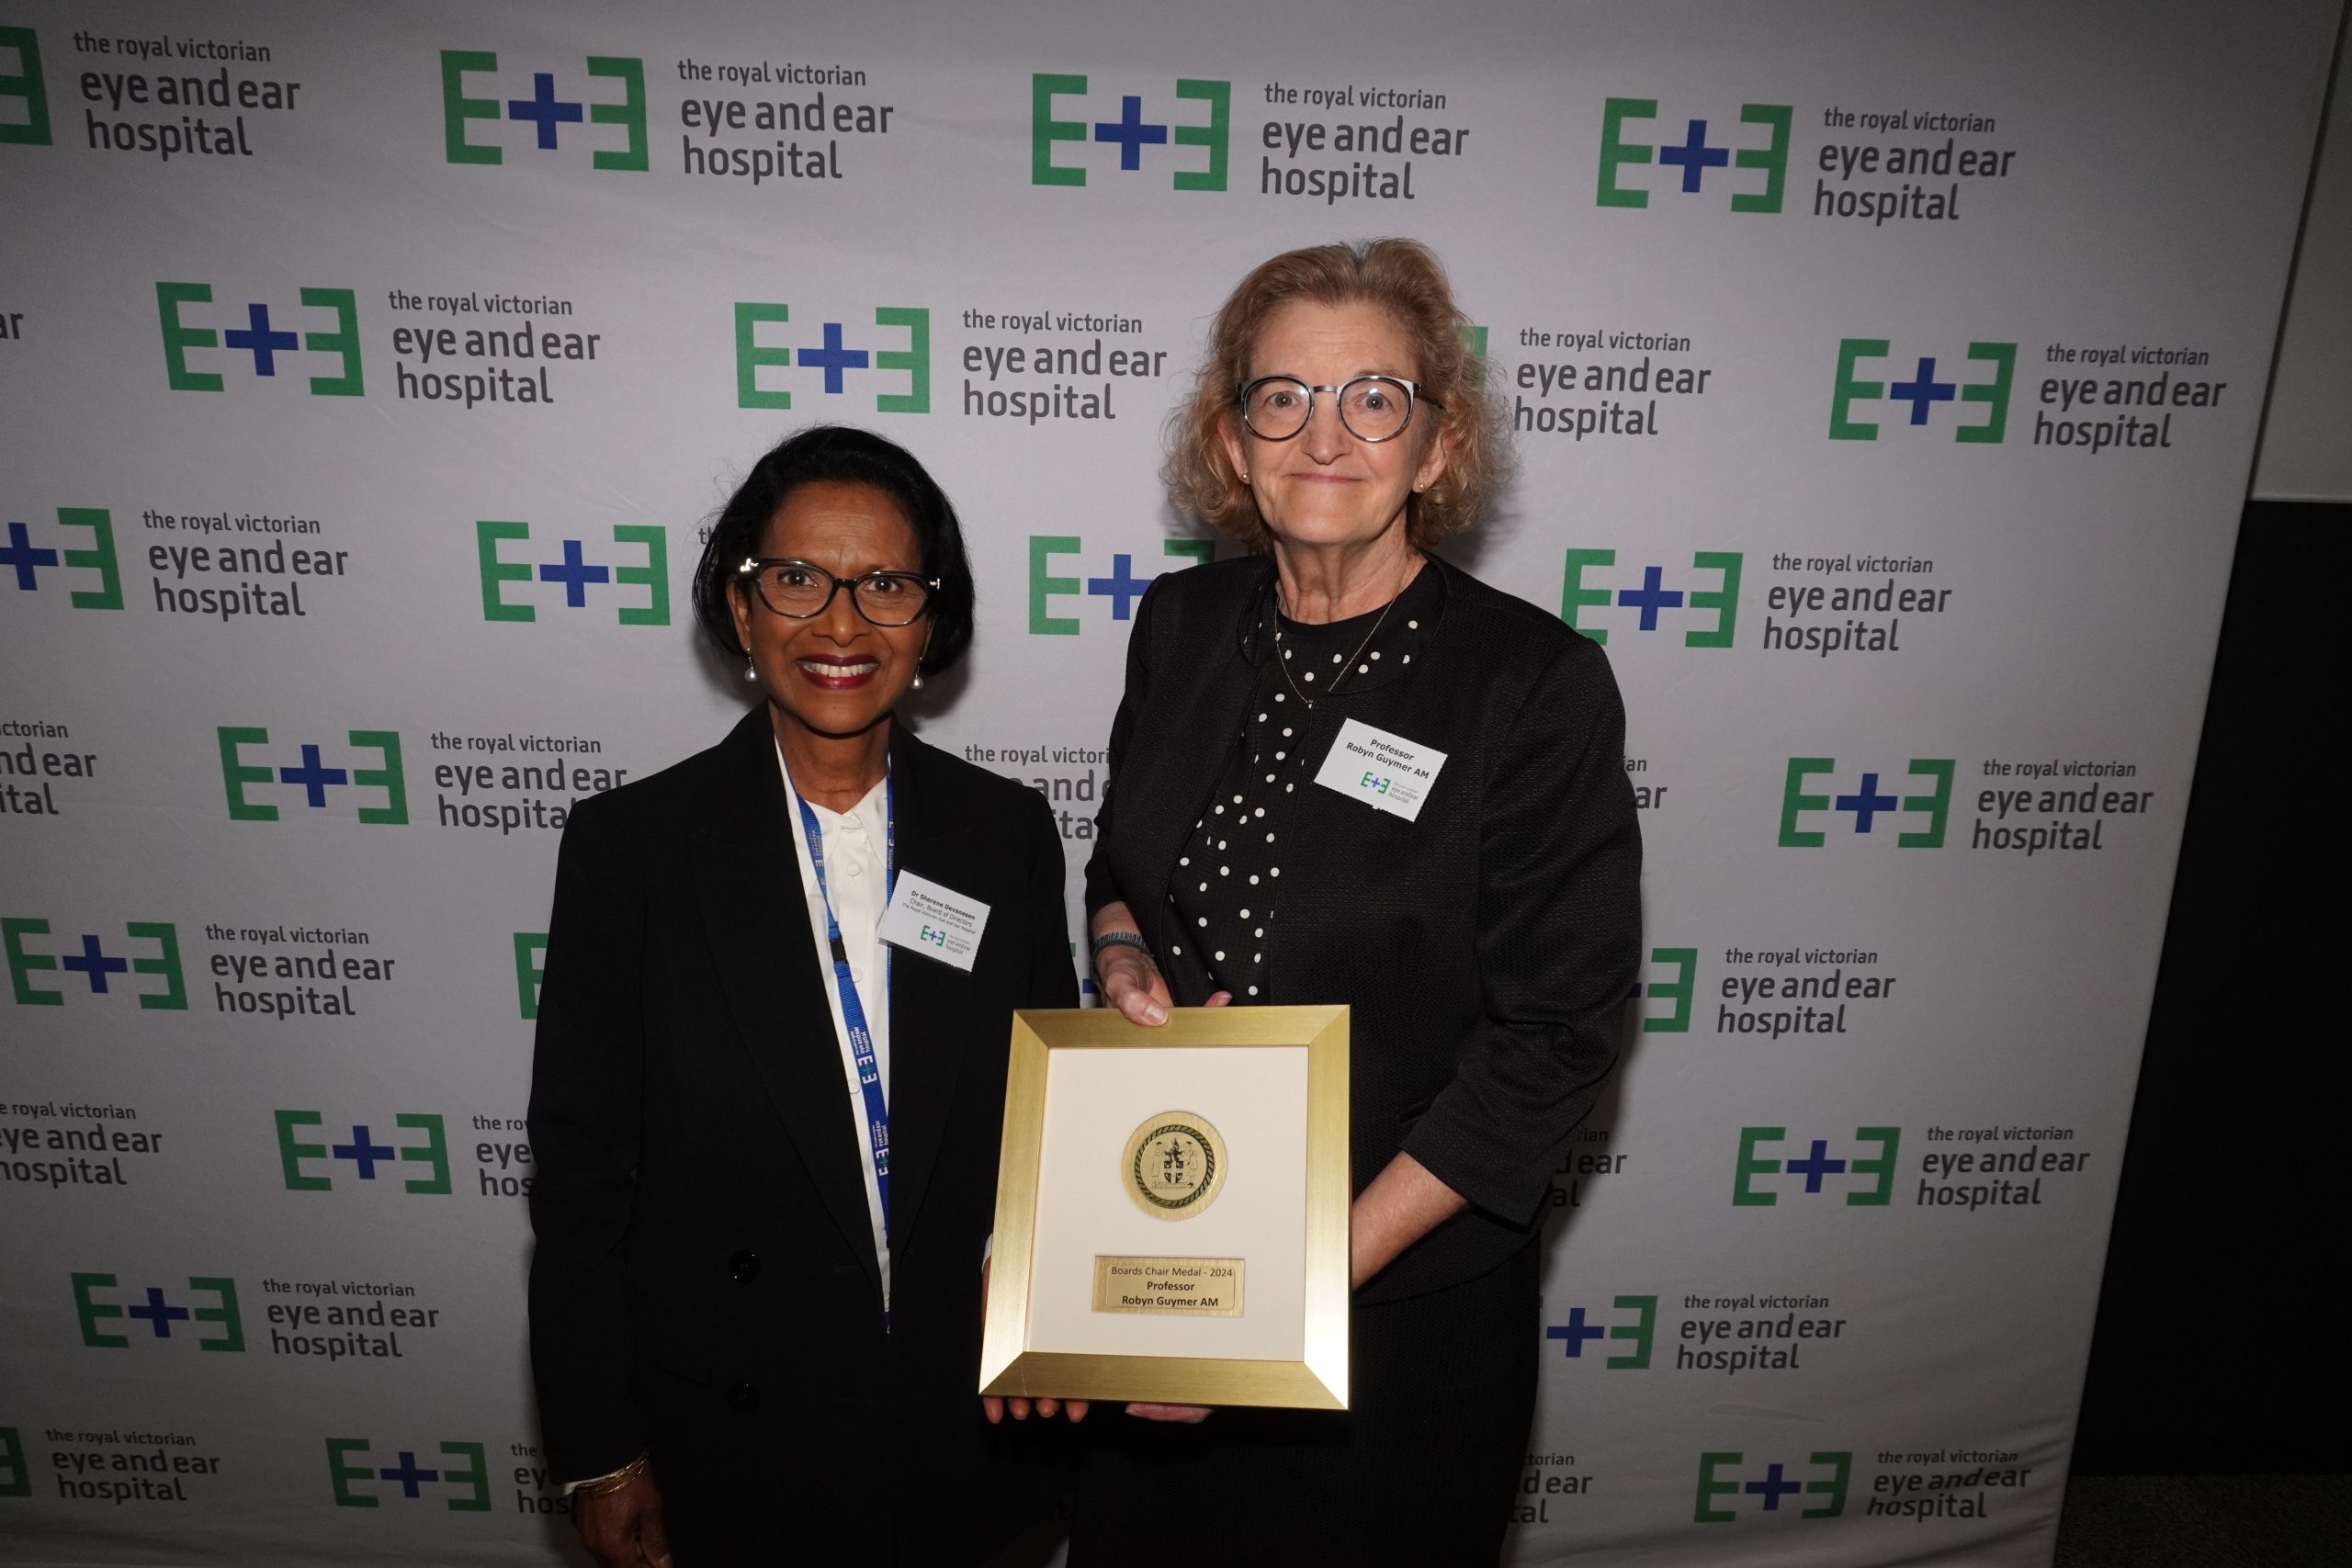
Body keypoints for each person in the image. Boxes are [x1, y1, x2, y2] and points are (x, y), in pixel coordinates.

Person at [1074, 241, 1642, 1562]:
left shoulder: (1532, 685)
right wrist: (1118, 955)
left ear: (1437, 447)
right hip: (1169, 1254)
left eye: (1374, 397)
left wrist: (1286, 1286)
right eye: (1282, 397)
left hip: (1395, 1315)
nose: (1324, 433)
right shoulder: (1179, 626)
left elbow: (1557, 1032)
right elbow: (1119, 865)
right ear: (1232, 438)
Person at [526, 425, 1082, 1566]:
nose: (840, 624)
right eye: (797, 581)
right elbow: (581, 1179)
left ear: (932, 620)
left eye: (884, 585)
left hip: (965, 1426)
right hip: (733, 1436)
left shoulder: (1002, 835)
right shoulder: (633, 849)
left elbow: (1050, 1131)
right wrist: (602, 1448)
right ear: (741, 611)